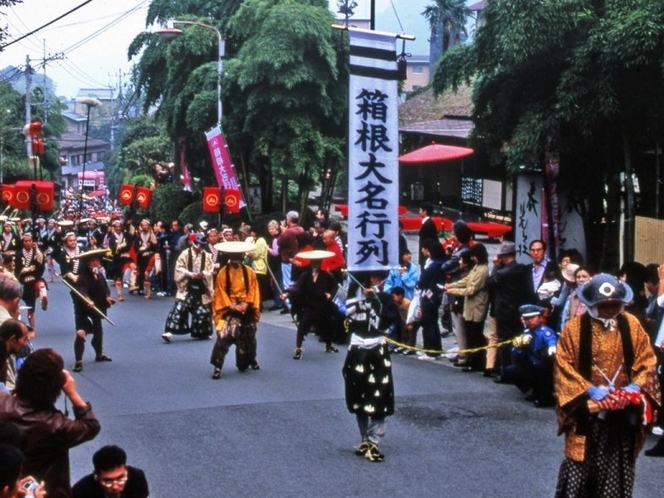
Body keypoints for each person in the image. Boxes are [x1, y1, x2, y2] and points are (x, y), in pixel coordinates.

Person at [554, 273, 661, 497]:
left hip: (621, 412)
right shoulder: (574, 329)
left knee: (616, 469)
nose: (611, 310)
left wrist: (632, 389)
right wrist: (590, 391)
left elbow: (647, 361)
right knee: (578, 470)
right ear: (592, 304)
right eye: (605, 306)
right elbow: (563, 366)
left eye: (615, 305)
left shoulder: (631, 325)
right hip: (587, 410)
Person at [0, 348, 101, 498]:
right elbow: (91, 425)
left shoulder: (2, 402)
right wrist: (72, 393)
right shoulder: (57, 425)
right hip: (44, 490)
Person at [342, 272, 396, 462]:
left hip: (377, 347)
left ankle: (373, 439)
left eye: (377, 277)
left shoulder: (385, 297)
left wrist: (374, 297)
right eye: (370, 277)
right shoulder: (353, 293)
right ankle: (365, 437)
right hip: (357, 346)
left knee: (380, 394)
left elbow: (389, 319)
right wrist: (362, 297)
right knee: (357, 393)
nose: (373, 281)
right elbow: (347, 312)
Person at [210, 241, 261, 379]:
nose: (235, 259)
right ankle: (218, 366)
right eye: (233, 256)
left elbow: (253, 289)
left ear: (242, 256)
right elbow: (219, 291)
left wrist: (247, 304)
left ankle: (250, 359)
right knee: (224, 336)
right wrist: (231, 305)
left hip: (246, 307)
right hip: (229, 308)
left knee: (249, 336)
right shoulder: (222, 272)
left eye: (238, 256)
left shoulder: (249, 272)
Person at [489, 241, 536, 382]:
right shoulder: (523, 269)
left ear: (503, 257)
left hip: (504, 311)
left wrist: (495, 266)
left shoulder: (502, 273)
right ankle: (518, 369)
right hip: (518, 310)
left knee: (504, 342)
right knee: (518, 340)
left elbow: (490, 282)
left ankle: (506, 372)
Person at [282, 250, 338, 359]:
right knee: (302, 325)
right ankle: (298, 349)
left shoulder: (327, 275)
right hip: (310, 304)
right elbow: (297, 287)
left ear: (320, 263)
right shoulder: (305, 275)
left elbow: (334, 286)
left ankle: (329, 344)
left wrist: (330, 295)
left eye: (317, 263)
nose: (315, 265)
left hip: (322, 304)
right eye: (313, 263)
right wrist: (287, 294)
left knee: (327, 325)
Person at [444, 243, 490, 372]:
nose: (473, 258)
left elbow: (471, 289)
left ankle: (477, 363)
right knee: (470, 335)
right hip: (470, 307)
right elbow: (466, 281)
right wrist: (452, 286)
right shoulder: (477, 267)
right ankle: (471, 360)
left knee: (476, 336)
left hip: (477, 307)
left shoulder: (483, 270)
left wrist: (453, 291)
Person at [162, 233, 214, 343]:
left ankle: (203, 332)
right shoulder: (185, 254)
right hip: (187, 285)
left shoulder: (207, 256)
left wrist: (203, 274)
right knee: (179, 308)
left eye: (202, 245)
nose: (201, 247)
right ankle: (169, 332)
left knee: (203, 311)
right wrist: (189, 274)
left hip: (201, 286)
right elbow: (179, 268)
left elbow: (210, 270)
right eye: (199, 244)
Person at [503, 304, 557, 407]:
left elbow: (551, 340)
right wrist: (519, 346)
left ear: (540, 318)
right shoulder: (526, 333)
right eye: (526, 318)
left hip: (544, 367)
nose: (529, 321)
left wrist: (551, 348)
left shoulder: (545, 332)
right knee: (510, 370)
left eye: (532, 318)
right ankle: (534, 391)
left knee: (544, 368)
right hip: (532, 365)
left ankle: (547, 396)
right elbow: (515, 354)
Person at [72, 249, 115, 372]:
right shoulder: (82, 277)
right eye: (92, 261)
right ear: (87, 264)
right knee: (80, 333)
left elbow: (105, 289)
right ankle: (78, 361)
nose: (96, 263)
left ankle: (99, 353)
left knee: (98, 331)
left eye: (97, 260)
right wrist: (87, 300)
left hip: (97, 307)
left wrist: (107, 298)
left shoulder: (100, 276)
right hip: (83, 309)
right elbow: (82, 291)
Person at [72, 445, 149, 498]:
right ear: (96, 475)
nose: (115, 487)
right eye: (108, 482)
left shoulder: (137, 477)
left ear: (126, 469)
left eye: (120, 479)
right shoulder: (80, 492)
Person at [14, 234, 48, 331]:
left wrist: (34, 275)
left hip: (36, 279)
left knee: (42, 287)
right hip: (24, 282)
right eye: (26, 241)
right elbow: (16, 271)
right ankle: (32, 327)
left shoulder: (37, 253)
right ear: (23, 242)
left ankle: (44, 301)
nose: (28, 243)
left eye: (30, 241)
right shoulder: (18, 254)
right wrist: (24, 274)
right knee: (29, 305)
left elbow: (41, 268)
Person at [107, 219, 134, 302]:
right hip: (117, 258)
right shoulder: (111, 237)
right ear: (114, 228)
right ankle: (119, 294)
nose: (118, 228)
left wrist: (122, 247)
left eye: (119, 227)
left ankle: (133, 284)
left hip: (126, 256)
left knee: (134, 266)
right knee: (118, 277)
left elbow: (129, 245)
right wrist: (121, 247)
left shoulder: (125, 235)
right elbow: (114, 249)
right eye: (116, 227)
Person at [0, 320, 30, 393]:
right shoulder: (3, 364)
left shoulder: (4, 360)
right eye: (24, 339)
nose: (26, 344)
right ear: (13, 340)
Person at [417, 202, 438, 269]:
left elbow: (430, 240)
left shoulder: (428, 224)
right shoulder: (427, 223)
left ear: (425, 211)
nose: (419, 212)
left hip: (426, 254)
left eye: (420, 210)